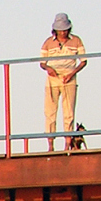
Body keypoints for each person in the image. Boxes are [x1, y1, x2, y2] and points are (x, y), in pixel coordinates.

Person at [40, 13, 86, 151]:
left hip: (69, 79)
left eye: (65, 29)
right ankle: (50, 145)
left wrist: (72, 73)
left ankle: (67, 144)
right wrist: (49, 69)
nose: (63, 32)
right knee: (50, 113)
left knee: (69, 113)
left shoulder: (76, 41)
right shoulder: (48, 42)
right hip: (52, 80)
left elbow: (83, 61)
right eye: (61, 30)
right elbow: (42, 63)